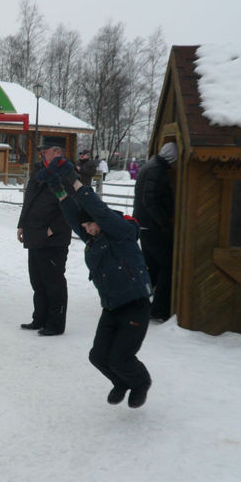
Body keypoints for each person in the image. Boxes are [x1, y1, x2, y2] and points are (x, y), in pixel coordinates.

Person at [37, 157, 153, 408]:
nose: (87, 229)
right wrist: (57, 189)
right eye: (86, 226)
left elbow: (96, 208)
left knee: (121, 358)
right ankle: (121, 382)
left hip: (135, 305)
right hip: (112, 306)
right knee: (98, 357)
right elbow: (72, 216)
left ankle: (141, 382)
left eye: (91, 225)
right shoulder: (94, 238)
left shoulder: (120, 232)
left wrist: (73, 179)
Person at [16, 137, 73, 336]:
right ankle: (39, 319)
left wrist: (54, 229)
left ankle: (55, 324)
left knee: (53, 282)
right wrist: (22, 224)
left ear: (57, 152)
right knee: (38, 281)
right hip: (34, 235)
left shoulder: (68, 173)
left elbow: (73, 207)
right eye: (41, 150)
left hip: (53, 239)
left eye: (45, 150)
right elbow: (29, 199)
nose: (41, 152)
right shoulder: (40, 171)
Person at [133, 141, 177, 322]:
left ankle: (136, 303)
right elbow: (150, 200)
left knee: (151, 267)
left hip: (144, 225)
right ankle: (159, 308)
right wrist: (164, 224)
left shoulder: (149, 166)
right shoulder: (157, 171)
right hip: (153, 227)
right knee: (167, 266)